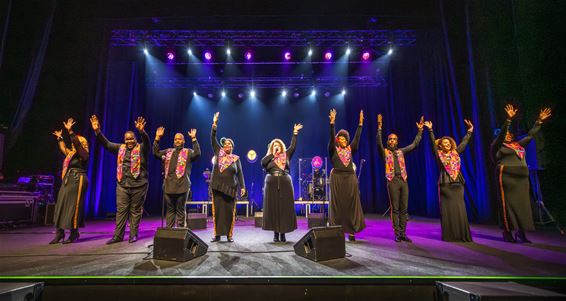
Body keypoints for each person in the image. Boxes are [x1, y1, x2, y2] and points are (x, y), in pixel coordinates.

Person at [491, 104, 552, 243]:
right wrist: (508, 120)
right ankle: (507, 233)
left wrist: (539, 121)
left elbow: (531, 135)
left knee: (523, 205)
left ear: (512, 135)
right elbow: (500, 137)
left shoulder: (518, 145)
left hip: (521, 180)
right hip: (506, 177)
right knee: (508, 205)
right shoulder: (497, 147)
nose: (507, 135)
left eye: (509, 133)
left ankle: (521, 232)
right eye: (504, 134)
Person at [90, 115, 150, 244]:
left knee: (135, 211)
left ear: (135, 139)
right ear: (124, 140)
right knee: (121, 211)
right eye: (127, 139)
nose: (129, 141)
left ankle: (133, 235)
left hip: (139, 185)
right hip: (122, 185)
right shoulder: (120, 148)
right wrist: (97, 131)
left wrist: (142, 132)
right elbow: (106, 144)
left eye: (132, 139)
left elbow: (147, 142)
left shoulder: (142, 149)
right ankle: (118, 236)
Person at [424, 119, 474, 242]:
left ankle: (462, 235)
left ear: (451, 144)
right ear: (440, 145)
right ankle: (450, 236)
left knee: (460, 209)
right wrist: (430, 130)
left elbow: (464, 143)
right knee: (448, 211)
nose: (446, 144)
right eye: (444, 143)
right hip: (446, 184)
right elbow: (432, 144)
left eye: (448, 142)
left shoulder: (456, 152)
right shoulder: (438, 154)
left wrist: (470, 131)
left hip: (458, 184)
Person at [377, 114, 424, 242]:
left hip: (403, 180)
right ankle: (397, 233)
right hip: (392, 180)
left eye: (394, 139)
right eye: (390, 139)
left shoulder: (401, 151)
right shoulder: (385, 152)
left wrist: (420, 130)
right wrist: (380, 128)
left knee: (404, 208)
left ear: (397, 141)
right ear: (388, 141)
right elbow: (378, 142)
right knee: (395, 208)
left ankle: (403, 233)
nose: (392, 141)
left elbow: (414, 144)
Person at [328, 109, 366, 241]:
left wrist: (360, 124)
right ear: (338, 140)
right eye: (341, 138)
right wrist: (332, 124)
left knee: (351, 204)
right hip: (337, 178)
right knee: (338, 205)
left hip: (350, 178)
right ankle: (337, 230)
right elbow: (331, 139)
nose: (343, 140)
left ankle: (351, 231)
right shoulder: (333, 150)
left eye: (345, 138)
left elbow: (357, 138)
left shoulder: (350, 149)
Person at [261, 123, 303, 242]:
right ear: (272, 147)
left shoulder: (286, 154)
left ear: (281, 146)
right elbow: (262, 163)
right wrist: (272, 155)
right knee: (274, 208)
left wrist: (295, 133)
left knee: (284, 208)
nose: (276, 146)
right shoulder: (268, 157)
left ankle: (283, 233)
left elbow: (293, 146)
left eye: (278, 145)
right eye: (274, 145)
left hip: (285, 182)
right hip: (271, 183)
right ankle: (275, 233)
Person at [50, 118, 89, 244]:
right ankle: (59, 233)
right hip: (67, 179)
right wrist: (60, 138)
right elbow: (63, 148)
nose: (74, 144)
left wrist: (71, 131)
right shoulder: (71, 154)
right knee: (60, 205)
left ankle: (74, 233)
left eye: (77, 141)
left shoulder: (83, 153)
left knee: (74, 207)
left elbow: (77, 144)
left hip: (78, 179)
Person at [153, 127, 201, 228]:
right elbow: (156, 153)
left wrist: (194, 139)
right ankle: (169, 232)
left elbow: (197, 154)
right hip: (168, 186)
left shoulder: (188, 152)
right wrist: (157, 138)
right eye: (175, 139)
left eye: (179, 139)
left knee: (180, 210)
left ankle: (180, 233)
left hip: (182, 186)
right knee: (170, 210)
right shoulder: (168, 151)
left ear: (183, 141)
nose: (177, 141)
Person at [210, 112, 246, 242]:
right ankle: (217, 234)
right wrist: (215, 124)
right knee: (218, 212)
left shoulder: (236, 158)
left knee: (229, 212)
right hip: (217, 187)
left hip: (231, 188)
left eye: (229, 145)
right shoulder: (218, 153)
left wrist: (242, 187)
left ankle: (229, 235)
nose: (227, 146)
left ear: (232, 147)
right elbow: (213, 138)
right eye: (225, 144)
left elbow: (240, 173)